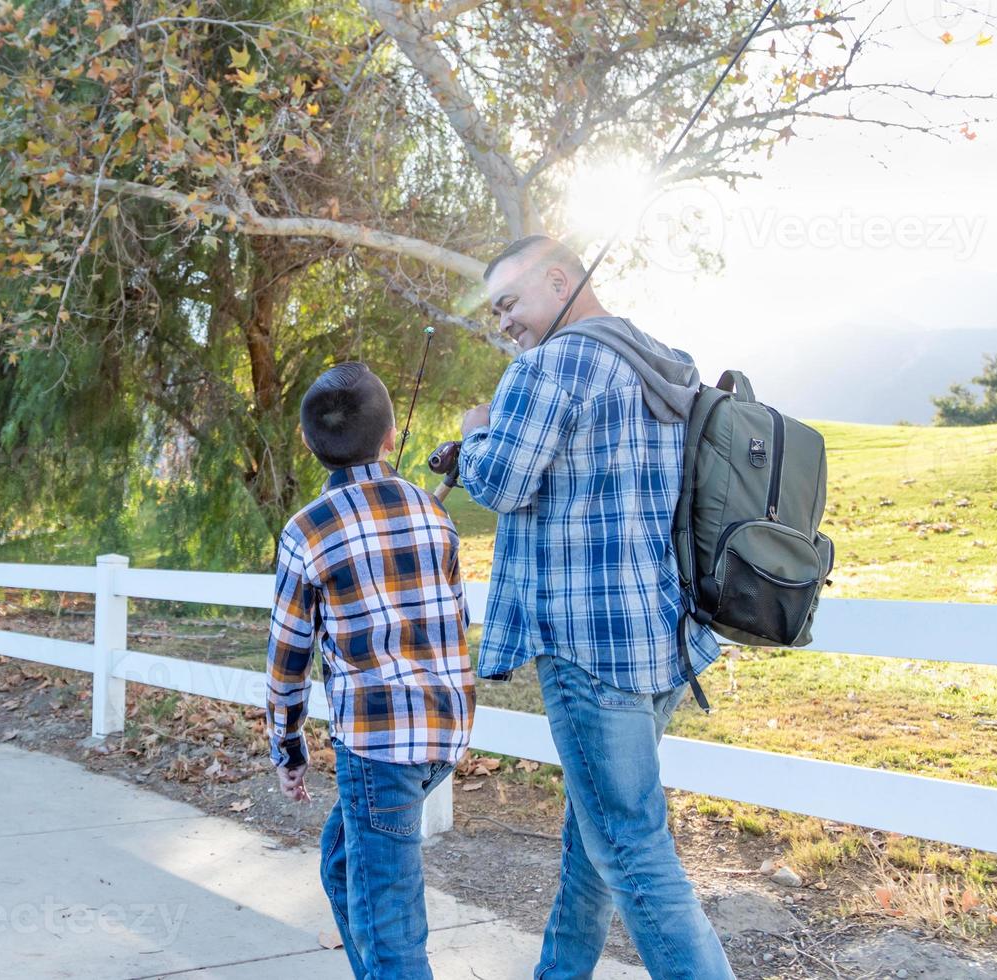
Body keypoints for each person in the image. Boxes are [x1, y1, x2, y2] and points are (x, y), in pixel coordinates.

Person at [460, 235, 735, 980]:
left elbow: (501, 485)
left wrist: (475, 431)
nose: (505, 324)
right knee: (597, 842)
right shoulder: (663, 360)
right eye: (495, 313)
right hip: (662, 641)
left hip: (589, 651)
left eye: (510, 303)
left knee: (635, 856)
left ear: (558, 281)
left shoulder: (553, 363)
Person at [265, 361, 474, 980]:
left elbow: (288, 659)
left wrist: (288, 748)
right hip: (444, 734)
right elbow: (454, 618)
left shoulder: (307, 531)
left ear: (308, 445)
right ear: (390, 439)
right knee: (341, 862)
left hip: (379, 748)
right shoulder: (435, 516)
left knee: (389, 924)